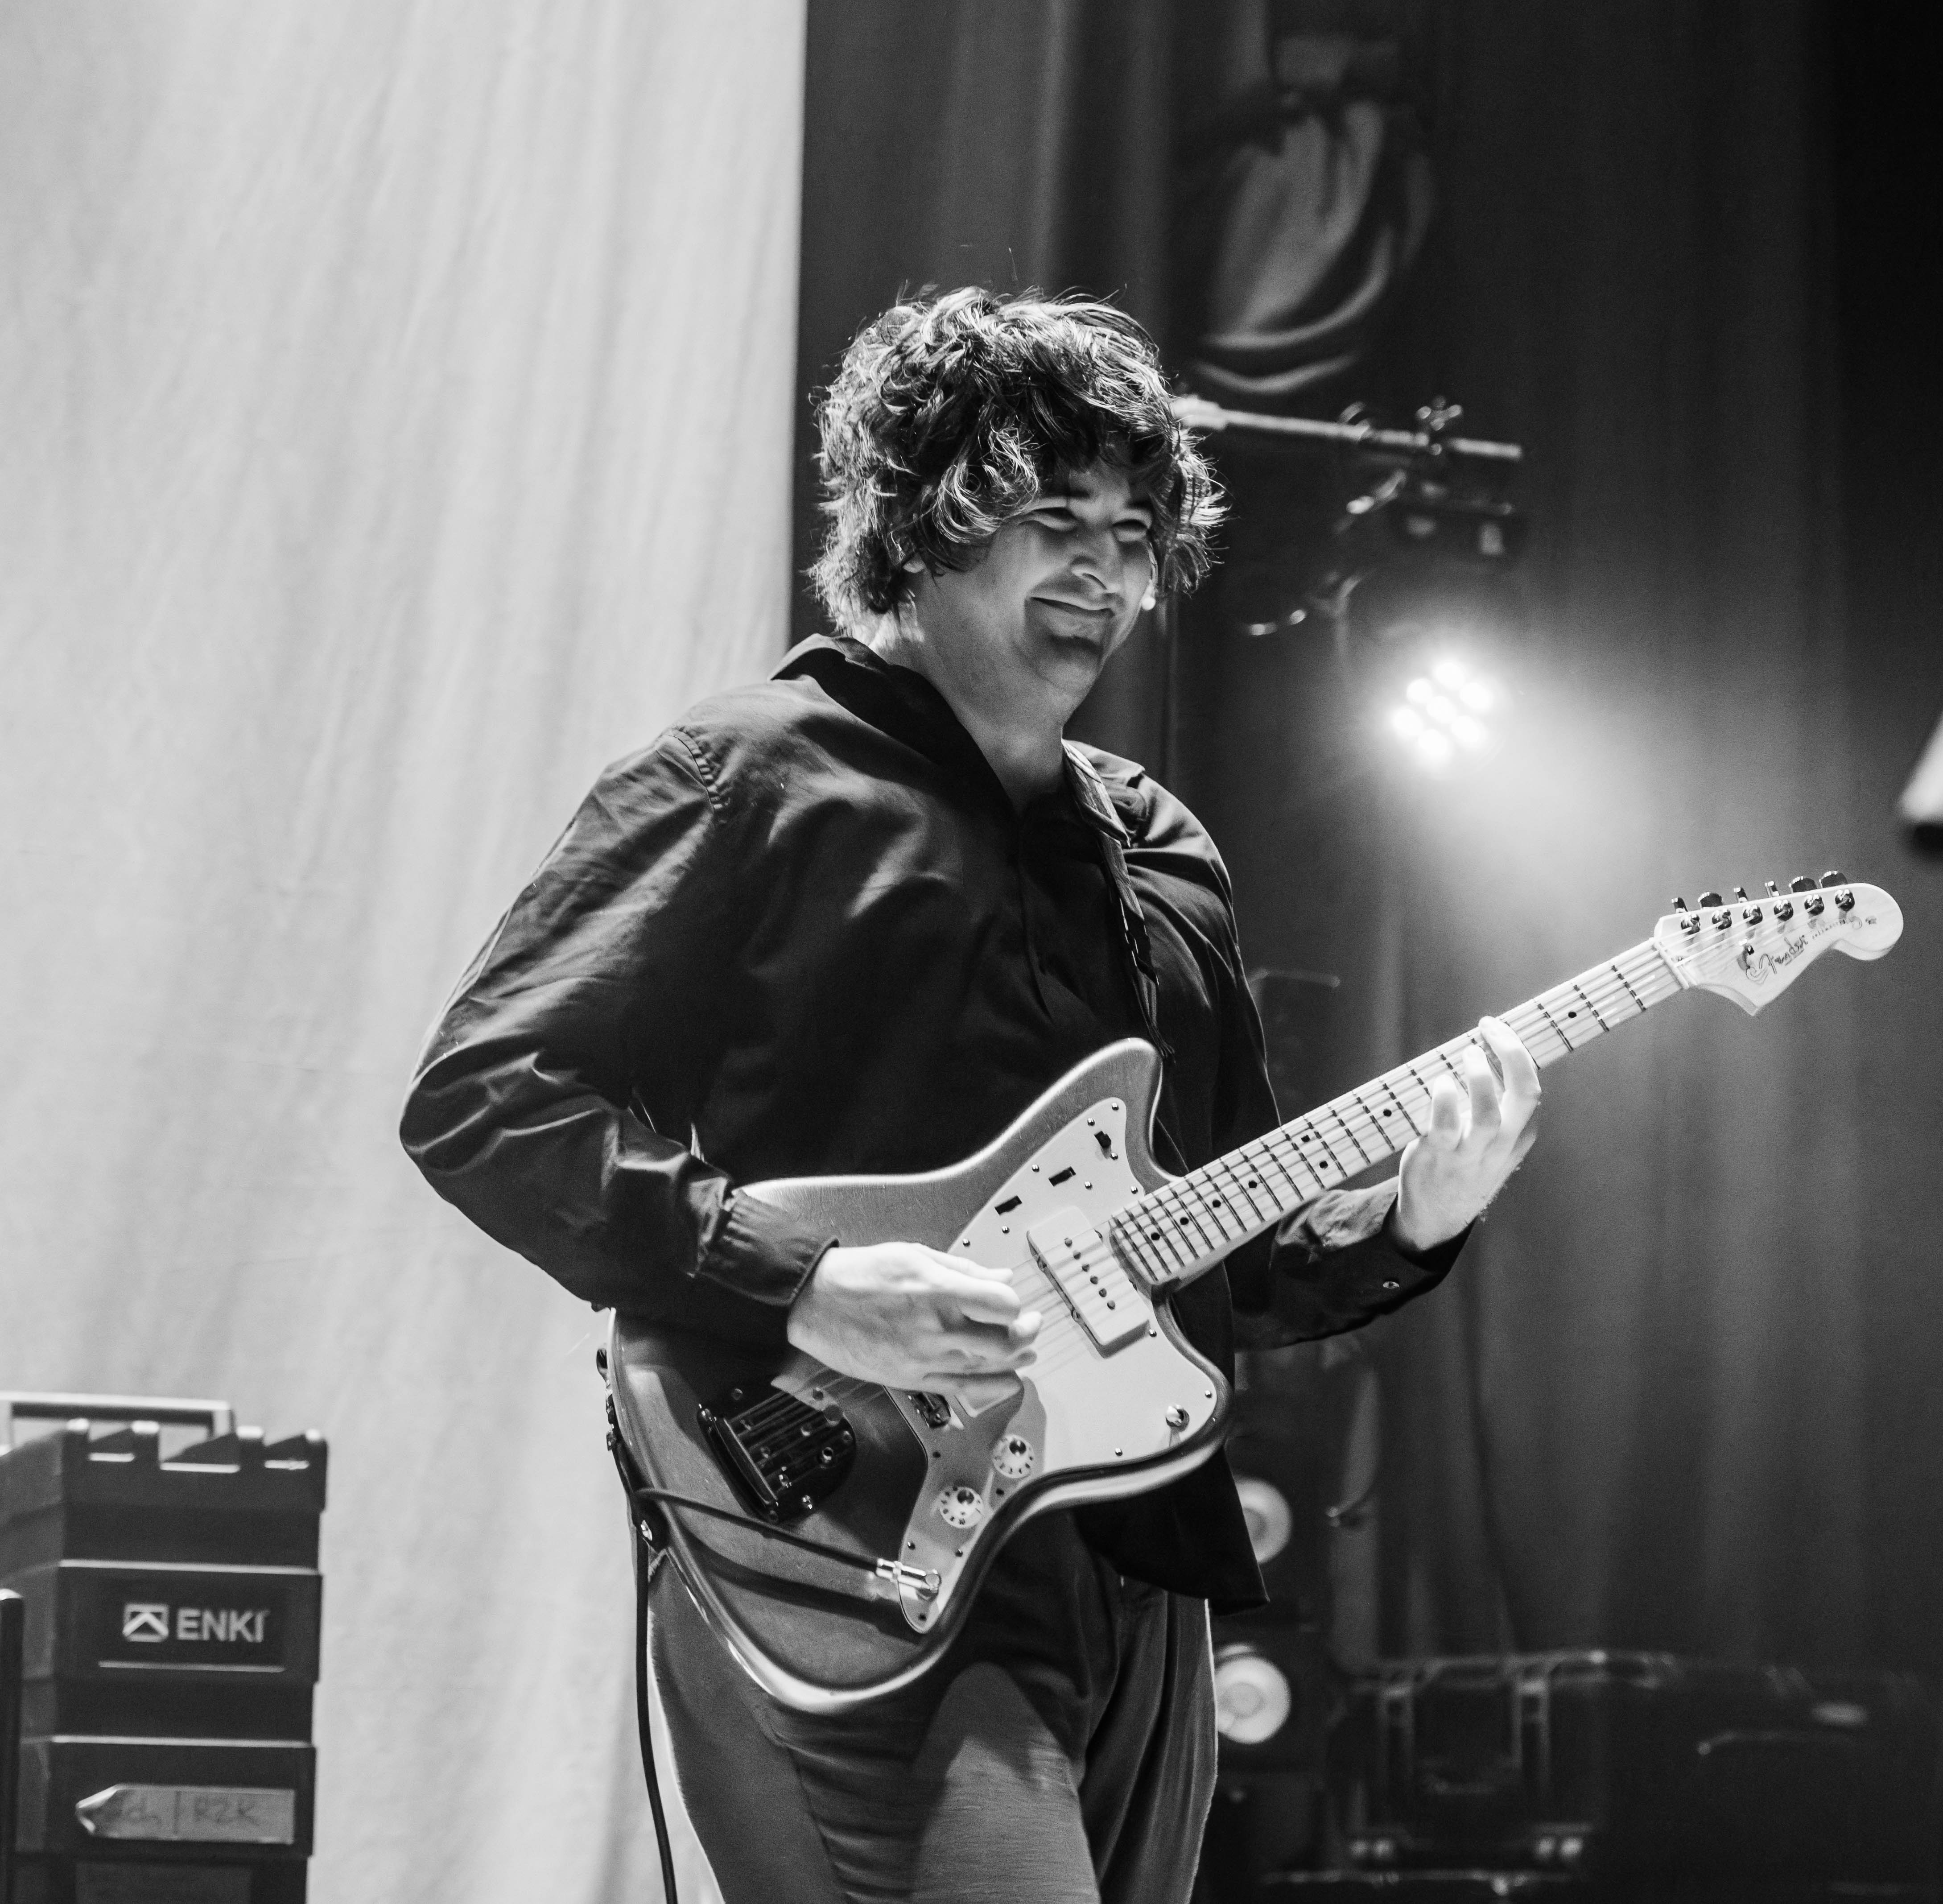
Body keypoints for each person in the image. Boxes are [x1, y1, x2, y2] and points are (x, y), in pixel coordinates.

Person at [400, 286, 1542, 1904]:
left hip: (1137, 1560)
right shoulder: (753, 775)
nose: (1102, 575)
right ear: (919, 525)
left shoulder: (1159, 850)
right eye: (1050, 522)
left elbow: (1212, 1254)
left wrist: (1409, 1222)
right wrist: (806, 1284)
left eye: (1133, 535)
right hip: (845, 1528)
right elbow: (485, 1097)